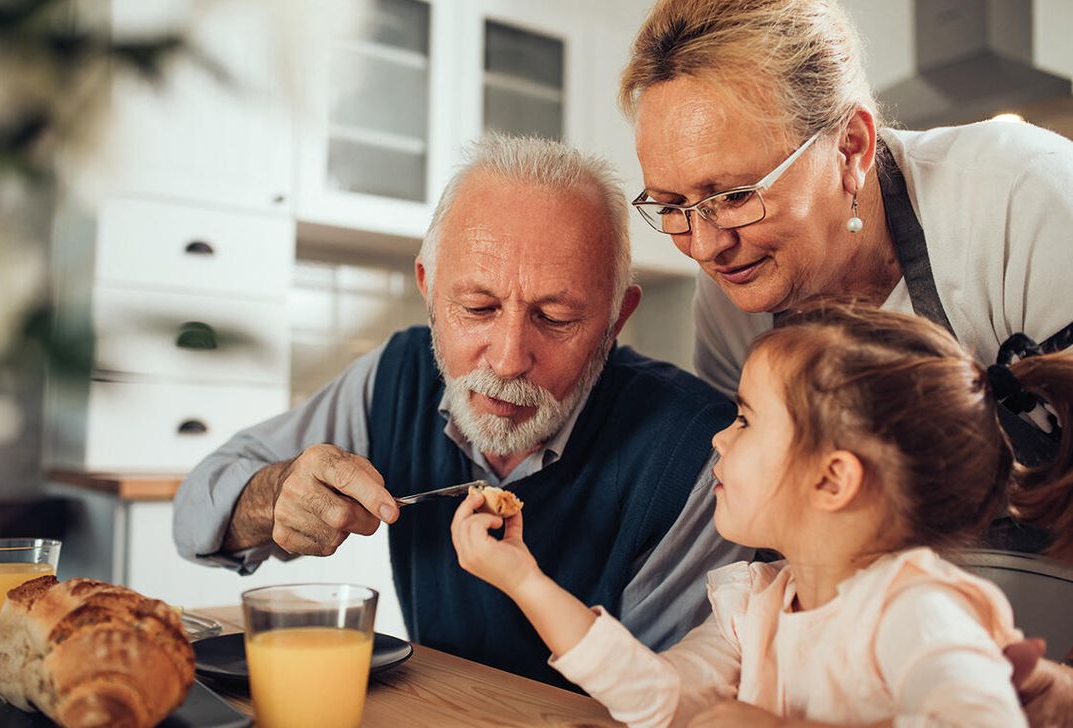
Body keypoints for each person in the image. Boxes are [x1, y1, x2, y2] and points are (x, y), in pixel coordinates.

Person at [172, 134, 748, 687]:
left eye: (555, 319)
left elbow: (663, 703)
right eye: (477, 307)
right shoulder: (394, 379)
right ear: (428, 288)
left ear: (617, 319)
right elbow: (194, 514)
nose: (506, 360)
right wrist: (272, 496)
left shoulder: (700, 455)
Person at [451, 299, 1073, 727]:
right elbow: (663, 699)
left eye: (745, 419)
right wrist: (522, 578)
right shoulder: (757, 604)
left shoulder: (916, 609)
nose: (719, 439)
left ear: (832, 479)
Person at [620, 0, 1073, 473]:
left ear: (850, 147)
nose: (705, 246)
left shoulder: (1019, 198)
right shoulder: (732, 312)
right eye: (671, 205)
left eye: (735, 196)